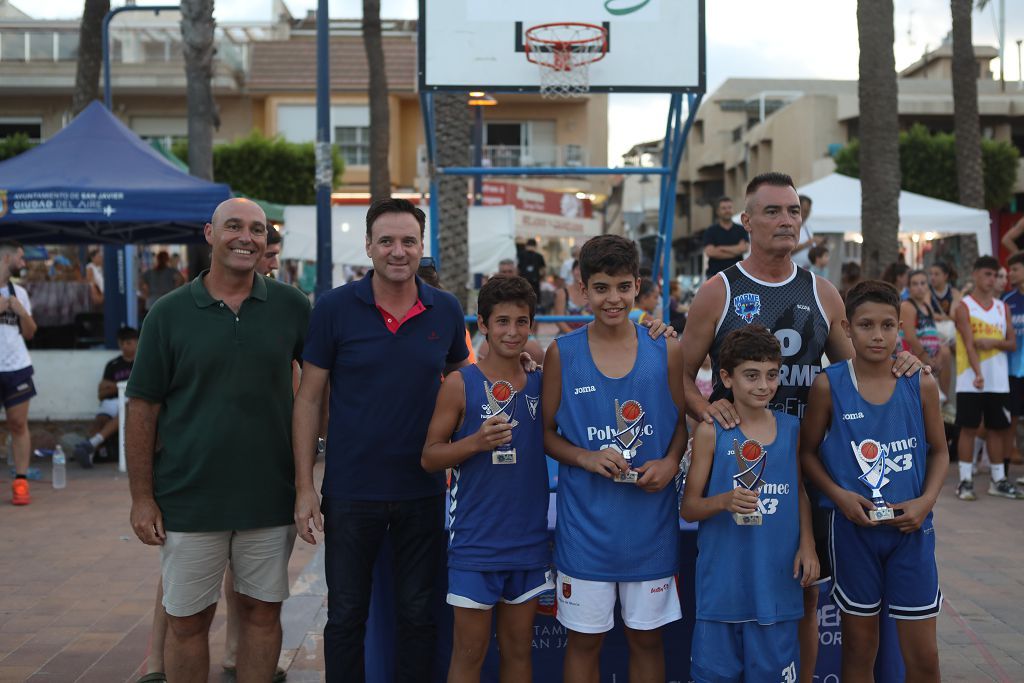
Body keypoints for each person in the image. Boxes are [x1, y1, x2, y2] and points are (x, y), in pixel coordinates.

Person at [680, 172, 922, 683]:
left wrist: (900, 364)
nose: (786, 220)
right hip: (735, 461)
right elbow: (680, 378)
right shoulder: (718, 290)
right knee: (735, 584)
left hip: (803, 461)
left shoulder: (824, 292)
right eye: (772, 211)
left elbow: (857, 372)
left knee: (804, 590)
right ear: (746, 221)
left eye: (793, 210)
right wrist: (707, 412)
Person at [126, 198, 311, 682]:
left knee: (262, 614)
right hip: (190, 498)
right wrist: (142, 498)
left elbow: (322, 384)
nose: (245, 237)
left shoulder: (291, 306)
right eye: (233, 226)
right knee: (188, 622)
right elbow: (142, 408)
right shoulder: (167, 314)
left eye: (256, 229)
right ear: (209, 233)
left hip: (269, 496)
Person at [292, 198, 471, 681]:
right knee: (347, 616)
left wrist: (522, 367)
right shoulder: (333, 308)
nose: (398, 251)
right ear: (368, 246)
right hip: (351, 492)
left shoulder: (446, 310)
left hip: (423, 491)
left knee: (418, 617)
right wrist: (306, 486)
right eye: (387, 241)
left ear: (421, 247)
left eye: (408, 241)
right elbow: (309, 399)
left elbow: (468, 381)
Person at [542, 234, 688, 683]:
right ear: (583, 289)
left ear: (638, 286)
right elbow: (546, 435)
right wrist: (585, 457)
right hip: (586, 530)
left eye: (623, 287)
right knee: (585, 641)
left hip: (651, 529)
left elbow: (682, 423)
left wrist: (671, 462)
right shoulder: (561, 354)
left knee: (647, 640)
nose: (613, 298)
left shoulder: (666, 348)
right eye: (601, 287)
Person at [799, 280, 946, 682]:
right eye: (866, 325)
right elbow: (807, 453)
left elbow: (940, 450)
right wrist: (838, 495)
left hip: (911, 530)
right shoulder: (829, 385)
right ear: (846, 328)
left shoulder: (921, 383)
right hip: (852, 532)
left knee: (924, 657)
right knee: (860, 652)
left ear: (900, 327)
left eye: (887, 325)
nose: (877, 335)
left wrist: (926, 501)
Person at [422, 275, 551, 683]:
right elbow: (430, 456)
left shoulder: (542, 383)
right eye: (502, 322)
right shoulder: (461, 385)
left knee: (518, 654)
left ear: (531, 325)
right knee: (469, 655)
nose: (512, 332)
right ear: (483, 324)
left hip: (528, 541)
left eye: (521, 322)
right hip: (475, 542)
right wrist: (475, 442)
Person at [681, 325, 818, 682]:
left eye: (771, 375)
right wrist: (725, 501)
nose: (763, 385)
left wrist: (808, 545)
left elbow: (799, 492)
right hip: (722, 591)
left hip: (776, 586)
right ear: (726, 377)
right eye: (751, 376)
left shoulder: (791, 429)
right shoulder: (711, 431)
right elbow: (689, 507)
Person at [953, 256, 1020, 500]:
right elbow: (969, 344)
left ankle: (998, 480)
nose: (991, 280)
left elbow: (1012, 343)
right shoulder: (965, 306)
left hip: (998, 381)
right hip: (969, 379)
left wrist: (994, 342)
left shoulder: (1003, 308)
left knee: (997, 430)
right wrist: (978, 373)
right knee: (969, 429)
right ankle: (965, 481)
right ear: (975, 275)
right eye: (987, 274)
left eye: (995, 275)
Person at [0, 241, 37, 506]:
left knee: (18, 424)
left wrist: (22, 312)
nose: (23, 263)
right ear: (6, 258)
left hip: (17, 367)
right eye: (21, 258)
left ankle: (21, 481)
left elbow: (31, 333)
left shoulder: (20, 293)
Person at [73, 326, 138, 468]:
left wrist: (114, 386)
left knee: (126, 408)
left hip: (131, 401)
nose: (125, 346)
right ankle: (89, 454)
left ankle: (91, 444)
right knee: (100, 420)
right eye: (123, 343)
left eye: (129, 343)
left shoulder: (142, 362)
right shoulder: (112, 364)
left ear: (137, 342)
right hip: (111, 401)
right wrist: (121, 386)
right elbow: (101, 393)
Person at [900, 270, 952, 399]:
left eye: (923, 283)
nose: (919, 287)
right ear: (909, 287)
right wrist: (928, 360)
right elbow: (910, 337)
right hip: (915, 358)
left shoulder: (926, 306)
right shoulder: (907, 306)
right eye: (915, 284)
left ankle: (945, 401)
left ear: (927, 286)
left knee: (945, 351)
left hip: (930, 357)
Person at [1004, 253, 1024, 472]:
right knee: (1010, 420)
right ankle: (1005, 471)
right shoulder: (1007, 301)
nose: (1010, 273)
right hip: (1011, 372)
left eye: (1015, 269)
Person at [703, 196, 749, 278]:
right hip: (715, 276)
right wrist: (735, 250)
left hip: (737, 275)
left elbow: (744, 249)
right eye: (724, 208)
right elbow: (710, 252)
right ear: (717, 211)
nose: (727, 210)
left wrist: (721, 248)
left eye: (729, 207)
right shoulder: (710, 231)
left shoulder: (741, 229)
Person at [552, 260, 590, 335]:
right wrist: (575, 336)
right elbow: (559, 321)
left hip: (590, 337)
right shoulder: (562, 293)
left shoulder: (593, 293)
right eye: (578, 269)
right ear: (572, 272)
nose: (581, 272)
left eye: (584, 269)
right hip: (567, 336)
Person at [792, 194, 824, 270]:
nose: (807, 214)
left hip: (807, 270)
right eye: (805, 211)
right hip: (792, 270)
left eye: (809, 211)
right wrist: (808, 243)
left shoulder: (807, 227)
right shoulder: (789, 226)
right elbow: (785, 250)